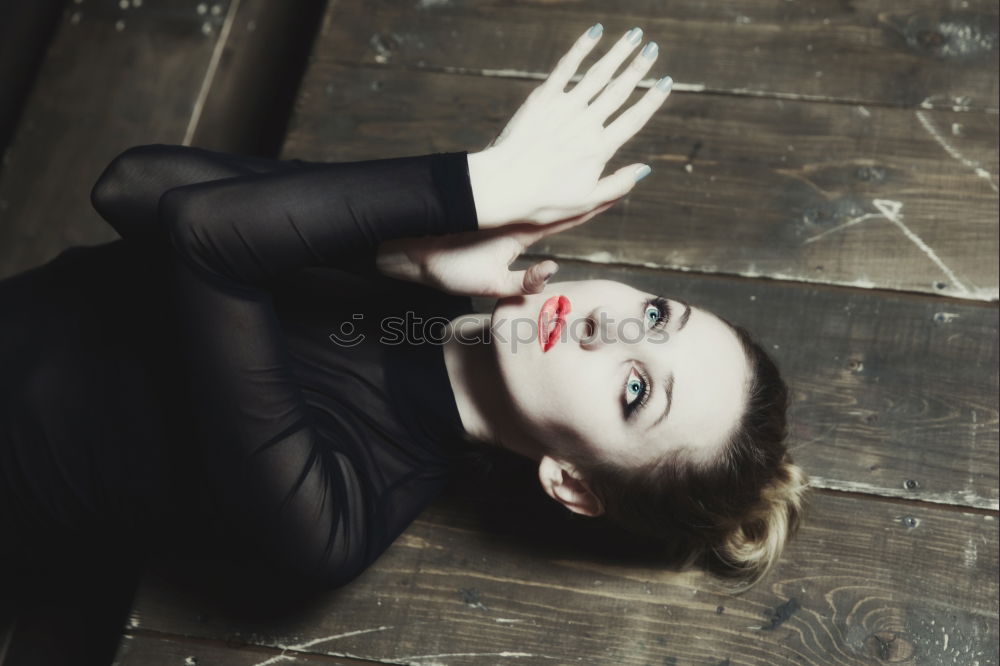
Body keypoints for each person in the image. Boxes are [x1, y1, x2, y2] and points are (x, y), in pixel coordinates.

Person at [0, 23, 809, 610]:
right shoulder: (421, 280)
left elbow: (202, 238)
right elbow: (133, 186)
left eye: (636, 392)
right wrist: (406, 253)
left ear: (573, 484)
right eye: (659, 315)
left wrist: (475, 185)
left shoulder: (335, 512)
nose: (614, 329)